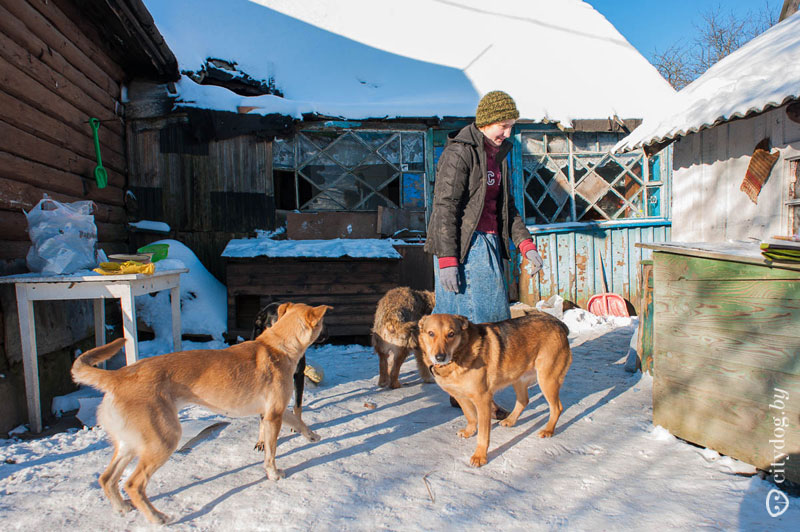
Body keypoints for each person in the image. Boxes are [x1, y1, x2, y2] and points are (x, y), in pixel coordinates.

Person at [424, 90, 544, 417]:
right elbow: (445, 207)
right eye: (503, 125)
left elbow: (507, 210)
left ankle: (473, 392)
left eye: (511, 126)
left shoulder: (498, 156)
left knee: (482, 325)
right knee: (481, 325)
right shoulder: (460, 152)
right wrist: (448, 260)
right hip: (462, 248)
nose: (508, 133)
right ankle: (478, 397)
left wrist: (526, 244)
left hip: (487, 245)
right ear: (486, 120)